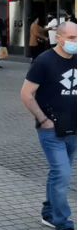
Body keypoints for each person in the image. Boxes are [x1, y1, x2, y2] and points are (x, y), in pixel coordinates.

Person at [20, 22, 77, 230]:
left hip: (73, 127)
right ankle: (62, 222)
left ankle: (48, 213)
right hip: (51, 129)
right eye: (71, 38)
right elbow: (26, 94)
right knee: (62, 174)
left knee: (59, 173)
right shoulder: (44, 61)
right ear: (59, 38)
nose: (75, 42)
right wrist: (43, 120)